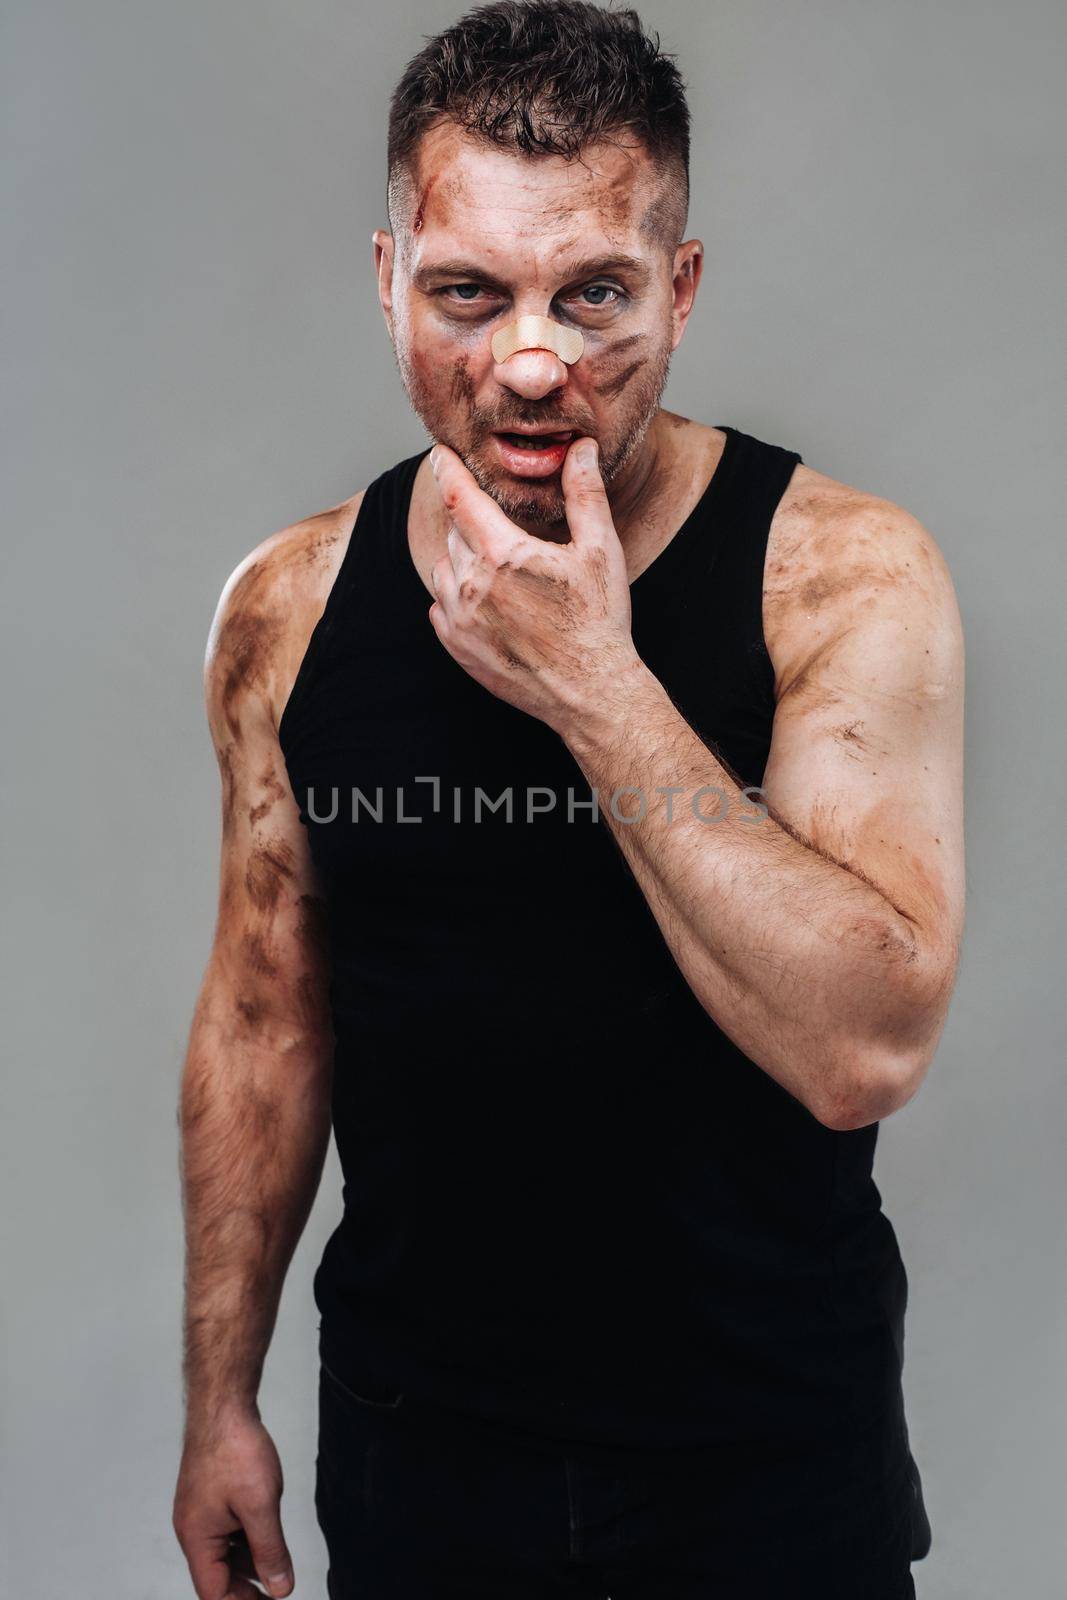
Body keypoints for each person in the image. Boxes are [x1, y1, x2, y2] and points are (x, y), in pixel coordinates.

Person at [171, 3, 965, 1596]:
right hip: (419, 1453)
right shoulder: (290, 605)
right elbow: (265, 1016)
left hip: (763, 1463)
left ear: (676, 292)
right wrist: (218, 1404)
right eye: (470, 293)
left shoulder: (842, 577)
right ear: (391, 280)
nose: (532, 362)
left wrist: (595, 684)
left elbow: (863, 1047)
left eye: (592, 294)